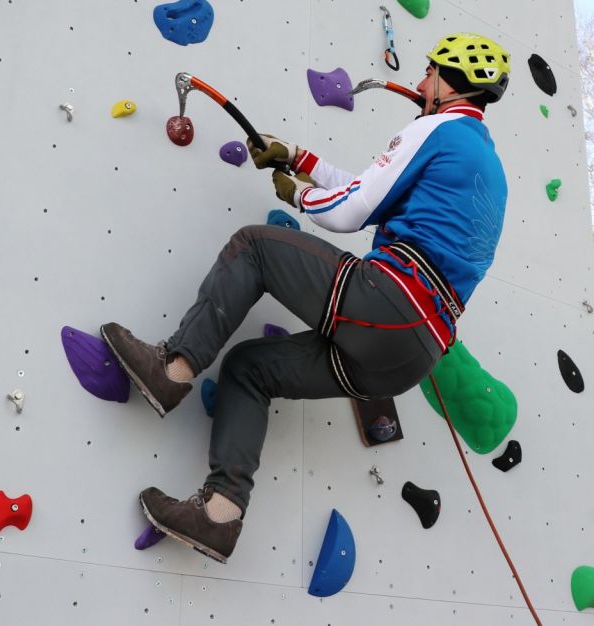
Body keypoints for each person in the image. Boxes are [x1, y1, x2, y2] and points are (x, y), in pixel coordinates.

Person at [100, 33, 510, 563]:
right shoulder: (485, 163)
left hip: (386, 306)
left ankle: (172, 368)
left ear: (454, 81)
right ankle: (219, 515)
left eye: (429, 73)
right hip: (409, 356)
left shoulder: (438, 128)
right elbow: (369, 186)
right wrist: (297, 157)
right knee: (249, 368)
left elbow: (350, 211)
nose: (418, 83)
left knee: (254, 247)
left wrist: (298, 193)